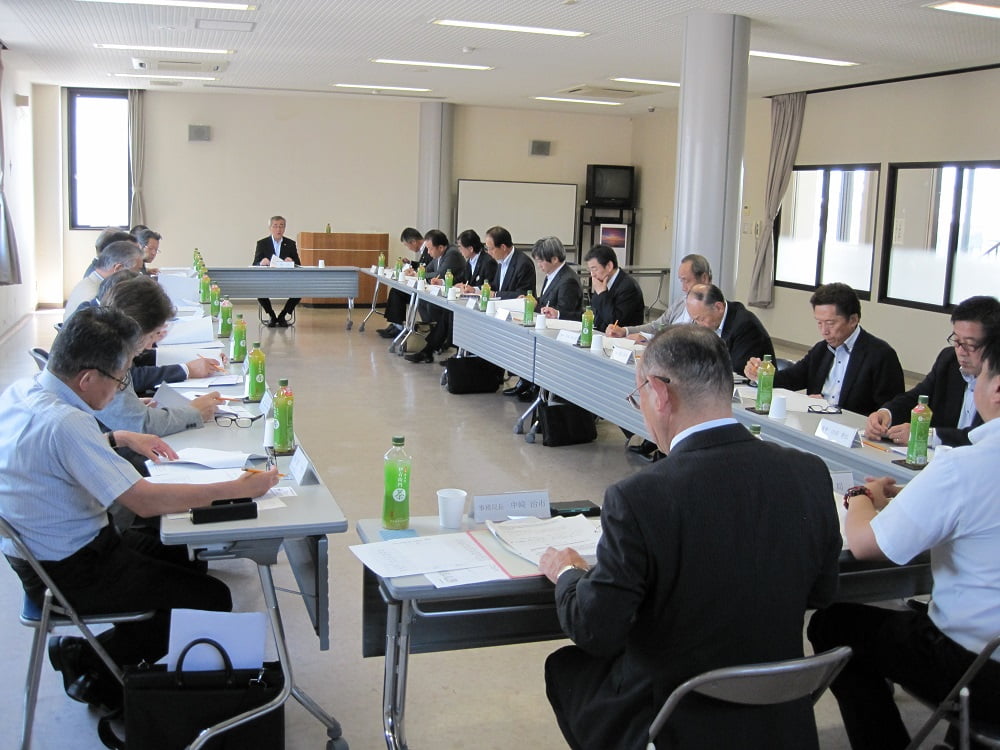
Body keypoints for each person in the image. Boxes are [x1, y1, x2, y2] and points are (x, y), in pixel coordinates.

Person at [539, 324, 841, 750]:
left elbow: (596, 629)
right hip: (779, 715)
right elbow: (822, 593)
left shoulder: (639, 497)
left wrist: (569, 572)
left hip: (678, 718)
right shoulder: (809, 473)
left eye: (638, 397)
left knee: (569, 669)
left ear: (660, 393)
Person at [0, 307, 278, 709]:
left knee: (180, 554)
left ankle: (96, 658)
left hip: (40, 559)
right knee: (211, 597)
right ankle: (97, 673)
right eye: (119, 379)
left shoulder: (22, 392)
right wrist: (237, 488)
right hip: (73, 569)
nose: (120, 388)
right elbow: (144, 502)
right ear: (87, 379)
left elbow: (50, 454)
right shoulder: (66, 423)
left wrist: (120, 437)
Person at [808, 322, 1000, 750]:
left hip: (977, 670)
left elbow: (866, 545)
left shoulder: (963, 466)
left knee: (834, 624)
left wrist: (860, 496)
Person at [744, 282, 904, 415]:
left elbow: (890, 410)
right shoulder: (821, 350)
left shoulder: (880, 355)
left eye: (830, 323)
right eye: (819, 323)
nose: (824, 331)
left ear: (853, 320)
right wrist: (761, 375)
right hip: (815, 423)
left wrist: (829, 409)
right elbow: (791, 379)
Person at [866, 295, 1000, 448]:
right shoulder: (949, 361)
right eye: (956, 341)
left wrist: (925, 435)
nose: (961, 351)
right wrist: (886, 413)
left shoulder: (996, 384)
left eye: (969, 344)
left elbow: (984, 437)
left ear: (993, 344)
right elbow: (917, 397)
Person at [97, 276, 224, 436]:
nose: (150, 346)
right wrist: (194, 412)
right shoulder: (105, 360)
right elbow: (142, 425)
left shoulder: (108, 343)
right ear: (134, 330)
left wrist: (132, 405)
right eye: (152, 335)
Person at [504, 236, 583, 400]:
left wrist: (536, 306)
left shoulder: (568, 280)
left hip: (559, 334)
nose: (539, 265)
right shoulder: (552, 274)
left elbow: (563, 313)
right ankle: (525, 382)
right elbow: (547, 301)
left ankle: (534, 387)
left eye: (541, 261)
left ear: (554, 259)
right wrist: (533, 301)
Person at [606, 253, 711, 339]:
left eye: (686, 281)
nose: (683, 288)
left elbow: (692, 343)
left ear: (704, 278)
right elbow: (657, 327)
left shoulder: (710, 310)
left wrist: (648, 340)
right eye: (681, 281)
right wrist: (625, 331)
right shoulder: (681, 303)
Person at [403, 230, 468, 364]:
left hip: (458, 298)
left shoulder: (452, 254)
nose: (428, 252)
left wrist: (419, 275)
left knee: (434, 307)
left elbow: (439, 274)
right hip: (449, 295)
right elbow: (427, 270)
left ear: (441, 247)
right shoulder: (438, 255)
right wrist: (415, 273)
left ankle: (437, 342)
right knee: (423, 302)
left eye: (430, 248)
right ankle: (434, 341)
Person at [685, 283, 775, 374]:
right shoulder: (708, 324)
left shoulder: (745, 327)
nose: (698, 325)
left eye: (701, 319)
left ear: (718, 307)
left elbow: (735, 371)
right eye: (695, 320)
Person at [64, 240, 144, 324]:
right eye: (137, 270)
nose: (139, 275)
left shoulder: (89, 282)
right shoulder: (98, 297)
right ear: (118, 268)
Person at [377, 227, 429, 339]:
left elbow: (427, 268)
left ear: (413, 242)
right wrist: (411, 263)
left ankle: (398, 326)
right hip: (419, 285)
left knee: (397, 292)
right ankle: (396, 324)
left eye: (407, 245)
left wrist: (414, 272)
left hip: (424, 289)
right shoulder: (425, 250)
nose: (408, 248)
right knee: (396, 290)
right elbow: (424, 265)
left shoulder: (428, 250)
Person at [252, 215, 301, 327]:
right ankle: (272, 315)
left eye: (281, 226)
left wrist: (291, 261)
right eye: (275, 226)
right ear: (270, 228)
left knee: (299, 291)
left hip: (286, 279)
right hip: (267, 279)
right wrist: (261, 263)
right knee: (258, 290)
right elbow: (255, 263)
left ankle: (283, 315)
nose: (278, 229)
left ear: (284, 228)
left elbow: (298, 264)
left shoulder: (290, 244)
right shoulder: (262, 243)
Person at [583, 244, 644, 332]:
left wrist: (602, 293)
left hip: (622, 338)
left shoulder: (628, 287)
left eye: (594, 269)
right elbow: (596, 315)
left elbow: (615, 323)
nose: (592, 275)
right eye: (590, 270)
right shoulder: (603, 281)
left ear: (609, 266)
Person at [485, 225, 536, 299]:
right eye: (487, 248)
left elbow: (523, 294)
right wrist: (475, 290)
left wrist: (496, 295)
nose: (489, 252)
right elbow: (497, 286)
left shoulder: (524, 264)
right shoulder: (501, 259)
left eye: (491, 249)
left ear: (503, 247)